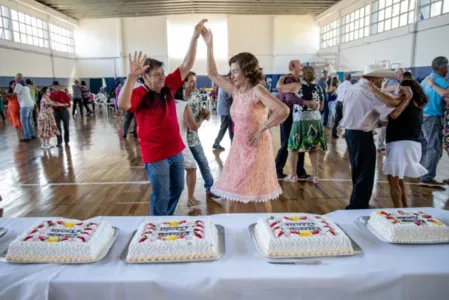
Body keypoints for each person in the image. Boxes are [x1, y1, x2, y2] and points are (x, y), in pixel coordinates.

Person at [118, 19, 207, 216]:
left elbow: (187, 63)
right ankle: (157, 226)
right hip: (155, 154)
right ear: (145, 77)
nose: (162, 77)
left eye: (162, 73)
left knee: (177, 189)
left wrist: (194, 37)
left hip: (175, 151)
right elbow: (123, 104)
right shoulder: (140, 93)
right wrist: (131, 77)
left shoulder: (168, 86)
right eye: (157, 75)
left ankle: (163, 219)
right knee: (161, 194)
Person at [202, 27, 289, 213]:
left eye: (235, 71)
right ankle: (229, 231)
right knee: (231, 191)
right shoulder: (236, 91)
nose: (231, 75)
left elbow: (282, 110)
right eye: (231, 71)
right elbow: (212, 74)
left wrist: (262, 128)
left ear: (247, 72)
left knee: (258, 193)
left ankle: (266, 230)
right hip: (238, 146)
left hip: (256, 147)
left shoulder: (258, 90)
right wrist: (209, 45)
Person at [341, 65, 401, 209]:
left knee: (358, 168)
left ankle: (357, 201)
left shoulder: (351, 89)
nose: (382, 82)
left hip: (351, 132)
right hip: (361, 134)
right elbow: (391, 108)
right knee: (366, 171)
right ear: (373, 79)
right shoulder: (370, 92)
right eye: (381, 79)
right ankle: (358, 205)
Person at [366, 80, 428, 208]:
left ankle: (398, 211)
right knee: (398, 180)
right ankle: (404, 208)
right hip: (410, 144)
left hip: (401, 144)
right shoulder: (417, 105)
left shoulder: (406, 103)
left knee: (393, 180)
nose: (398, 91)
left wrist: (374, 90)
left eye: (401, 89)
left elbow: (393, 114)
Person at [278, 66, 327, 183]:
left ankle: (293, 175)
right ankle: (315, 176)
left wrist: (281, 78)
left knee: (293, 148)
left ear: (302, 75)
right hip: (315, 120)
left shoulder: (297, 86)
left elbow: (280, 87)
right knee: (314, 148)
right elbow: (321, 106)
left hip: (300, 120)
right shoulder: (319, 87)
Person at [181, 71, 220, 201]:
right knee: (185, 169)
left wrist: (206, 113)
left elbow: (202, 111)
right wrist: (202, 118)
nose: (194, 84)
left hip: (193, 137)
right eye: (191, 81)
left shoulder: (196, 94)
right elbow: (190, 122)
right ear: (184, 82)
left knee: (203, 163)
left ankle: (210, 188)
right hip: (181, 138)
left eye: (195, 81)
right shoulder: (179, 97)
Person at [275, 59, 309, 180]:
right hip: (288, 115)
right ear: (293, 67)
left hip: (297, 115)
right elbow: (289, 98)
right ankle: (277, 170)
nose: (302, 65)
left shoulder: (299, 80)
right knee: (286, 144)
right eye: (300, 64)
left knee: (299, 143)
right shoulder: (288, 79)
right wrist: (305, 102)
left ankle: (300, 171)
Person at [175, 98, 209, 206]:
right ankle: (190, 198)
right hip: (181, 141)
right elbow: (193, 126)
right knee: (192, 167)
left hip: (168, 142)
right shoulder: (183, 104)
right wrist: (202, 117)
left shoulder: (164, 101)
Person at [420, 56, 449, 185]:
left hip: (423, 115)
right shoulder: (441, 82)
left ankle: (422, 172)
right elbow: (446, 94)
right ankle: (427, 176)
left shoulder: (425, 80)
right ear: (443, 68)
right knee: (434, 147)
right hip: (433, 116)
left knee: (425, 146)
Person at [426, 77, 449, 185]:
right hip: (446, 120)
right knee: (445, 146)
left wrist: (432, 85)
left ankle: (427, 176)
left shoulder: (438, 84)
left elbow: (445, 94)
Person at [213, 73, 234, 151]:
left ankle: (231, 143)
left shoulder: (223, 84)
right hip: (225, 110)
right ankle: (216, 143)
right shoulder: (228, 86)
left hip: (223, 109)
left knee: (228, 127)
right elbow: (232, 96)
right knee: (225, 127)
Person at [14, 73, 35, 141]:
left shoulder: (19, 84)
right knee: (29, 120)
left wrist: (5, 94)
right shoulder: (26, 85)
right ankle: (31, 134)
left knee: (24, 121)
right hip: (30, 104)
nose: (15, 79)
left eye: (15, 78)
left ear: (18, 78)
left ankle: (27, 136)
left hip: (25, 105)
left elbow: (14, 94)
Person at [49, 81, 71, 147]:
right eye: (54, 87)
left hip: (64, 111)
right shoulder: (50, 94)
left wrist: (64, 104)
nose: (55, 88)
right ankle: (59, 142)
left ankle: (67, 141)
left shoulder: (63, 93)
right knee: (58, 128)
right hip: (56, 112)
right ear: (52, 87)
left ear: (59, 87)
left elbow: (68, 103)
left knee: (66, 127)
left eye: (57, 87)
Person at [332, 72, 352, 138]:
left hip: (338, 102)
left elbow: (337, 93)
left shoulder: (340, 85)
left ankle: (333, 133)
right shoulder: (351, 86)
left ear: (344, 78)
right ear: (350, 78)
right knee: (347, 119)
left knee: (337, 119)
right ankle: (345, 134)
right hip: (345, 103)